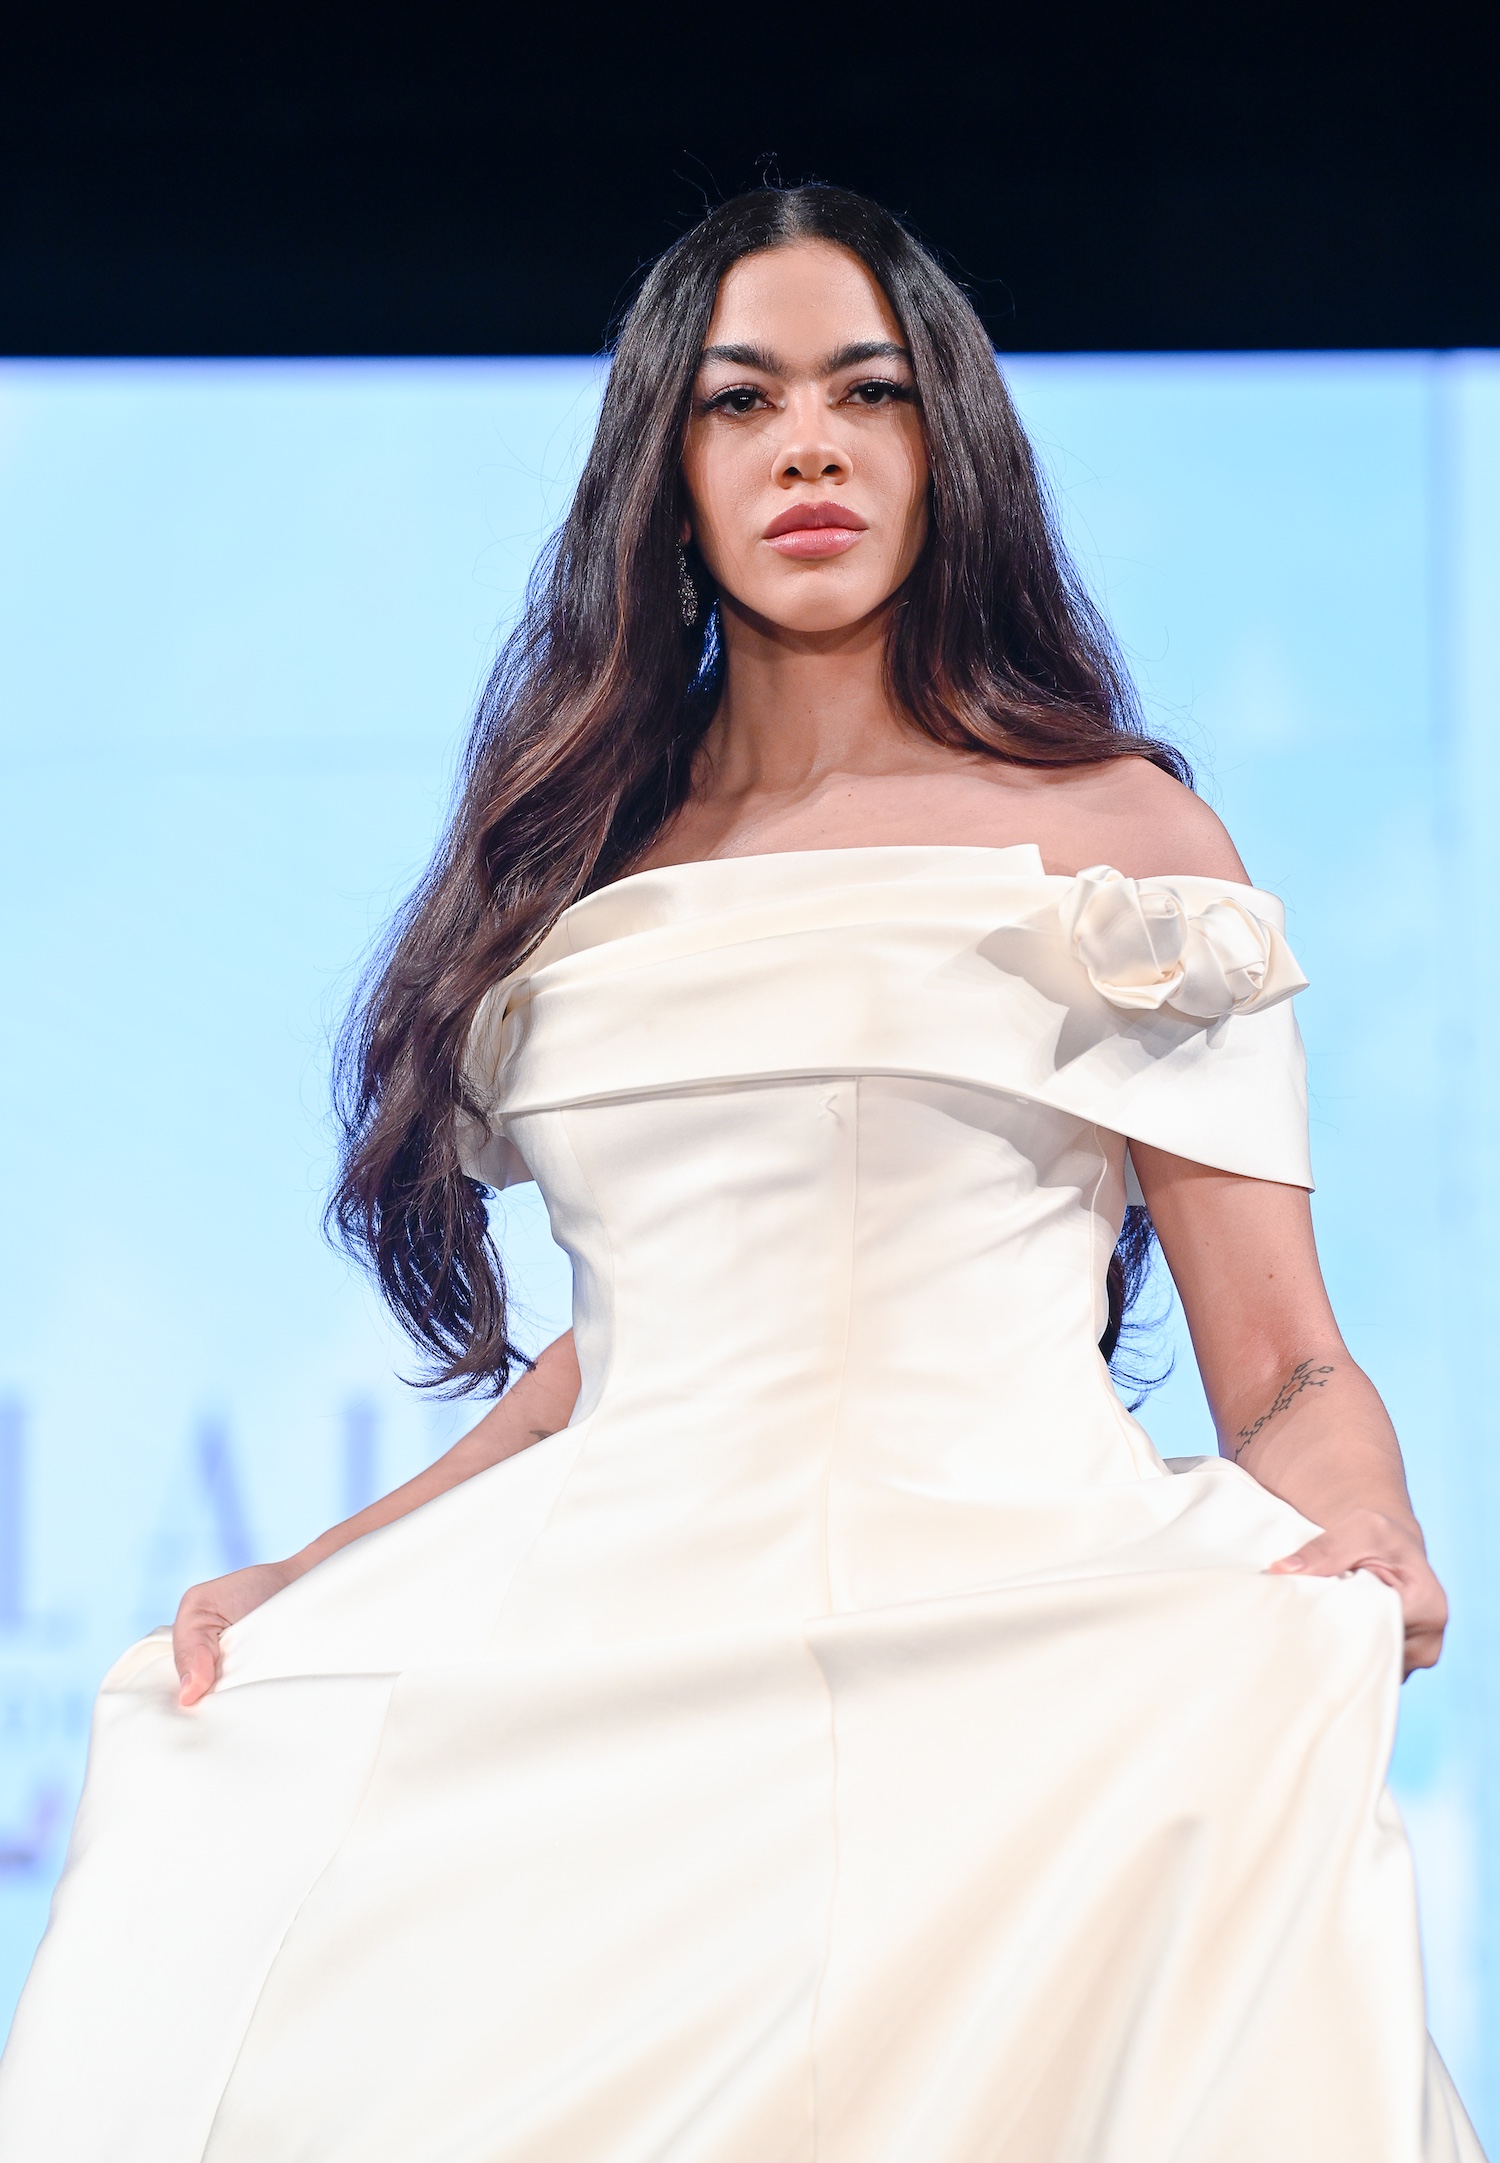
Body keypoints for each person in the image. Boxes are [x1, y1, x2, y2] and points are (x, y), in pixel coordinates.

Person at [0, 185, 1483, 2162]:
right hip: (630, 1675)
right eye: (743, 399)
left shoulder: (1121, 839)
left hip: (1021, 1666)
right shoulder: (580, 859)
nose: (809, 446)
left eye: (869, 392)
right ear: (664, 464)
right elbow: (623, 1351)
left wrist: (1366, 1517)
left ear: (947, 447)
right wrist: (315, 1576)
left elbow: (1284, 1358)